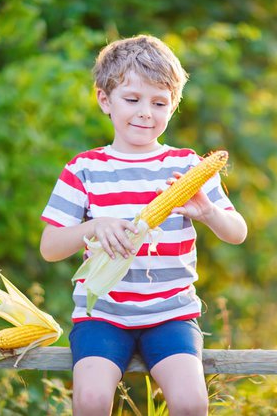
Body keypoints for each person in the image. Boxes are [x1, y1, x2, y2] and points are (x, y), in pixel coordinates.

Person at [39, 34, 247, 416]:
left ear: (174, 105)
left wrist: (208, 214)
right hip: (102, 315)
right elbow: (50, 247)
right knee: (90, 400)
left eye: (159, 103)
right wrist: (93, 225)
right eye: (132, 100)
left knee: (190, 403)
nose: (145, 113)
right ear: (105, 100)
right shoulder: (84, 168)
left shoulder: (189, 167)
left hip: (171, 313)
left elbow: (237, 232)